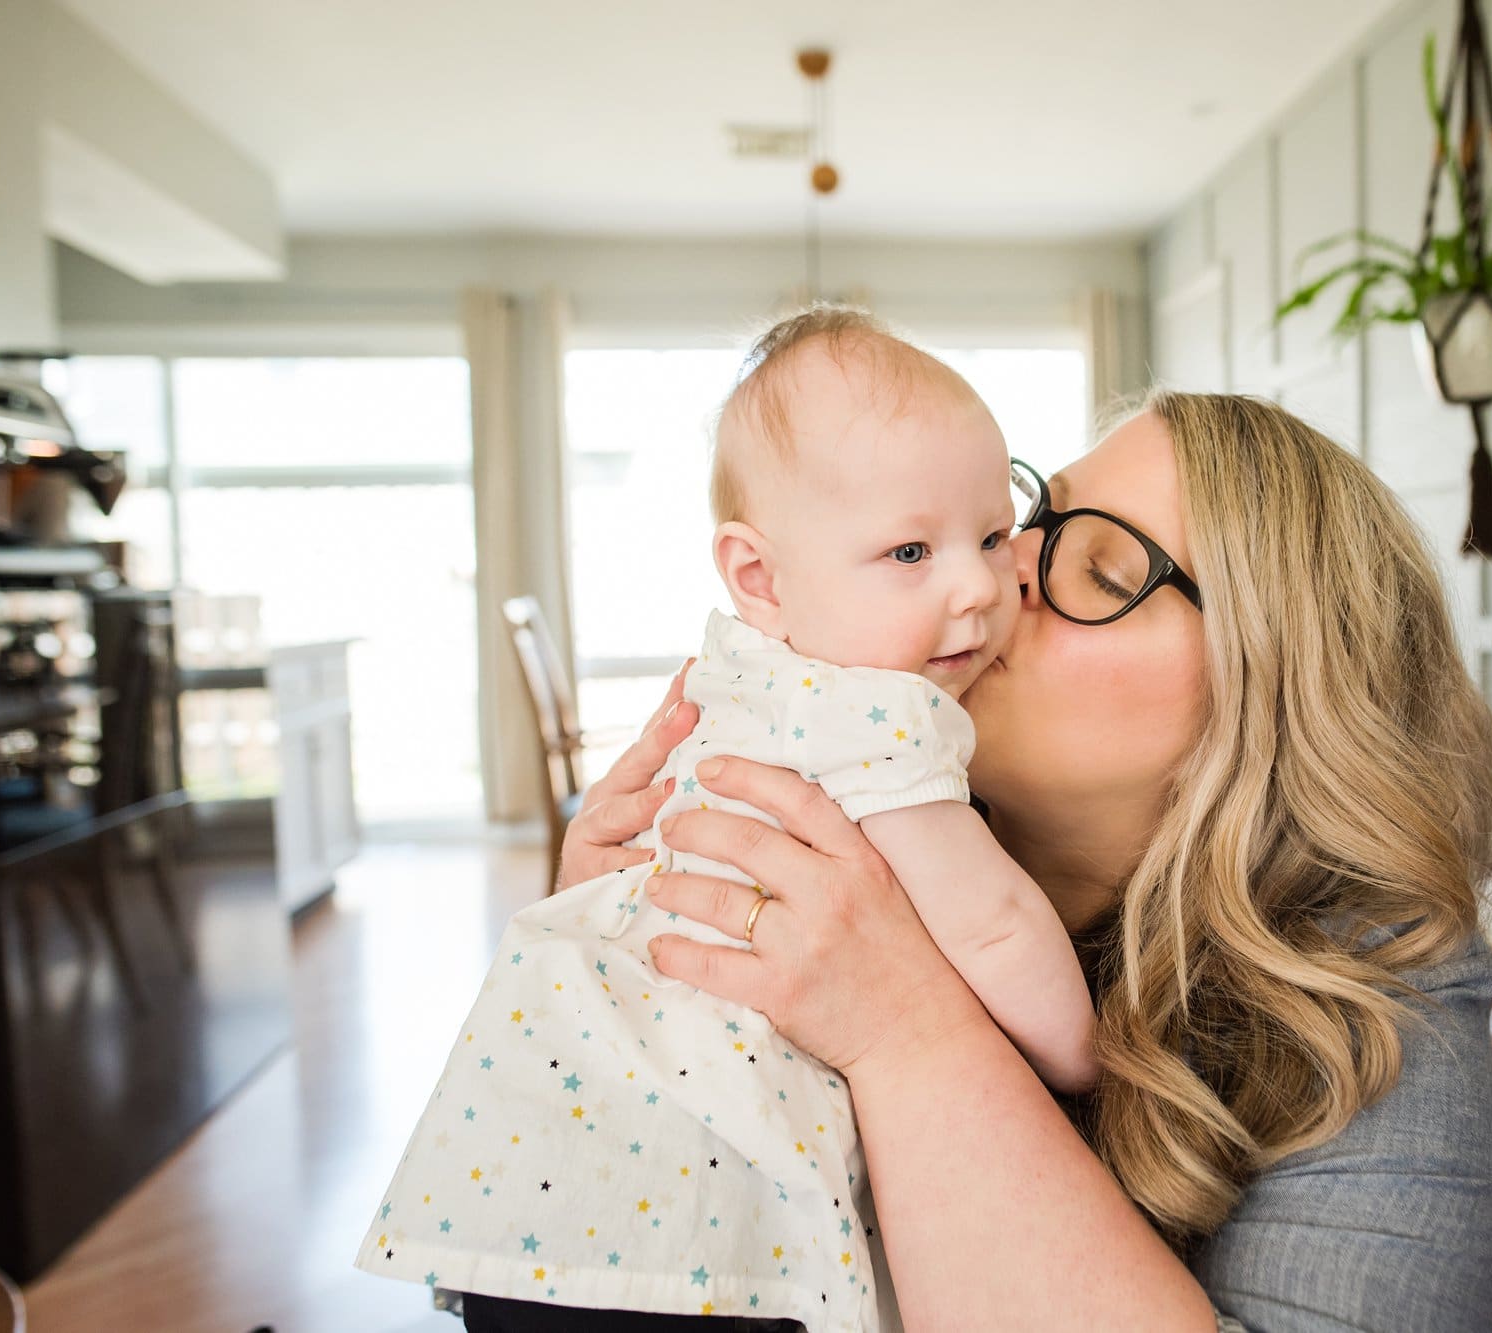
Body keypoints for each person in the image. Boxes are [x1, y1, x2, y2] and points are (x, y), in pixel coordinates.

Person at [558, 389, 1492, 1332]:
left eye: (1101, 572)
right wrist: (623, 965)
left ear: (1274, 706)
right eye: (1028, 518)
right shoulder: (856, 833)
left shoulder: (1372, 1006)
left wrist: (905, 1031)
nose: (994, 572)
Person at [359, 309, 1097, 1331]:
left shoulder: (748, 672)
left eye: (987, 533)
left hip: (558, 1165)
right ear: (757, 576)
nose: (978, 585)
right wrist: (1083, 1058)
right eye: (909, 551)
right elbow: (993, 923)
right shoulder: (876, 719)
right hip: (697, 1194)